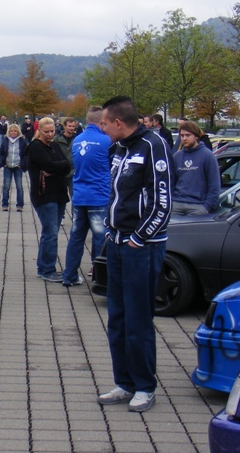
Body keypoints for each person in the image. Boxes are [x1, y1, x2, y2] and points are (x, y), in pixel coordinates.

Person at [96, 95, 171, 413]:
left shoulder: (153, 145)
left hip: (142, 247)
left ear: (118, 122)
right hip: (116, 242)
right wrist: (109, 229)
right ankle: (124, 382)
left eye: (104, 123)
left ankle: (144, 386)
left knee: (138, 319)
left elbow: (163, 201)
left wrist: (139, 238)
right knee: (117, 317)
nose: (101, 128)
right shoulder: (117, 148)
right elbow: (115, 193)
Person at [61, 106, 110, 287]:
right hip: (99, 196)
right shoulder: (107, 141)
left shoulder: (77, 140)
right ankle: (100, 277)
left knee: (76, 237)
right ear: (102, 121)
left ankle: (69, 275)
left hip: (79, 196)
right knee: (100, 238)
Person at [27, 117, 71, 282]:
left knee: (52, 232)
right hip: (44, 194)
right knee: (50, 233)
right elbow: (49, 164)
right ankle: (47, 269)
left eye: (52, 131)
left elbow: (66, 165)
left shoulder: (54, 145)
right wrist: (56, 167)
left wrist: (55, 169)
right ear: (39, 131)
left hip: (59, 193)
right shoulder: (35, 147)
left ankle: (44, 266)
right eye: (46, 132)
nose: (50, 134)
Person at [171, 121, 220, 216]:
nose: (184, 138)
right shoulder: (177, 156)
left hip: (198, 206)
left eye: (188, 135)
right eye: (182, 135)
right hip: (176, 205)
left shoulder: (207, 155)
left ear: (196, 136)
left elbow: (214, 184)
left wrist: (207, 207)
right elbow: (171, 182)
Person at [0, 122, 28, 211]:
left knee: (19, 186)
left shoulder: (22, 141)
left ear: (18, 132)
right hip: (8, 166)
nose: (13, 132)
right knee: (6, 186)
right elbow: (0, 152)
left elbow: (26, 154)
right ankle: (5, 204)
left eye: (15, 131)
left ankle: (20, 205)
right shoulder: (5, 140)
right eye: (11, 131)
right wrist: (3, 162)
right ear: (9, 132)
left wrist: (22, 164)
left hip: (18, 166)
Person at [55, 117, 78, 197]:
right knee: (60, 197)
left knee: (74, 196)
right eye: (69, 126)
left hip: (73, 171)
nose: (71, 128)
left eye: (73, 126)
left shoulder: (77, 139)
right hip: (61, 172)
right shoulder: (57, 139)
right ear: (64, 126)